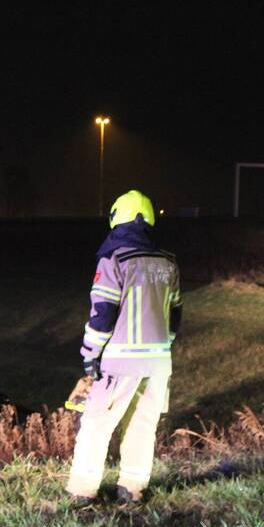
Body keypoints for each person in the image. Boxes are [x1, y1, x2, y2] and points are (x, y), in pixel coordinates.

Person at [67, 190, 182, 504]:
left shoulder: (114, 259)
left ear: (117, 219)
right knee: (143, 425)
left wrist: (90, 357)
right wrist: (162, 348)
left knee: (95, 424)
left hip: (119, 361)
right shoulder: (169, 262)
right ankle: (132, 490)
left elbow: (102, 314)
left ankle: (82, 492)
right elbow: (175, 315)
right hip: (159, 362)